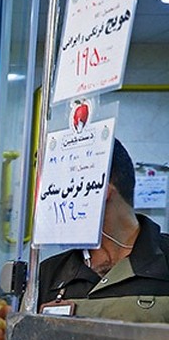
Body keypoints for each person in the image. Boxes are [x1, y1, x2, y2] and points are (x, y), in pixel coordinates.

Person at [37, 138, 169, 322]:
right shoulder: (49, 273)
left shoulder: (164, 259)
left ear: (101, 190)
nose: (48, 200)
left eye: (61, 187)